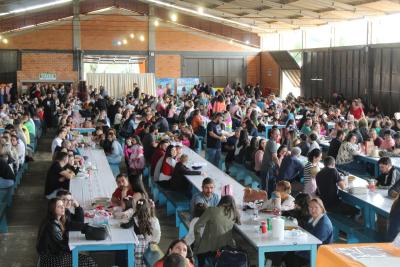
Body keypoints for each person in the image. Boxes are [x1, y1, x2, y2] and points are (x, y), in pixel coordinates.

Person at [36, 198, 97, 267]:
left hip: (54, 254)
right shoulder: (52, 226)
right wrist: (78, 245)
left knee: (86, 259)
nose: (63, 207)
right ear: (52, 209)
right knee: (87, 261)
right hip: (51, 260)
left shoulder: (59, 219)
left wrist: (86, 226)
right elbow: (62, 246)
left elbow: (74, 224)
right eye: (59, 206)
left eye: (62, 205)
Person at [283, 198, 333, 267]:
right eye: (310, 207)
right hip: (310, 248)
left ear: (321, 208)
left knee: (290, 257)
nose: (313, 210)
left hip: (318, 252)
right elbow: (306, 229)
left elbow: (315, 242)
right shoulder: (313, 218)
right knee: (286, 252)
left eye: (316, 207)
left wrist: (297, 249)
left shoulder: (324, 224)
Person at [194, 195, 240, 267]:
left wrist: (197, 243)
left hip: (207, 250)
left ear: (221, 201)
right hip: (225, 250)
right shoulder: (235, 214)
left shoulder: (212, 210)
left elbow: (197, 226)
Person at [120, 198, 161, 267]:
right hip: (146, 242)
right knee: (142, 259)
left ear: (136, 207)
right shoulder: (151, 218)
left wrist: (121, 224)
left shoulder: (135, 218)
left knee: (136, 259)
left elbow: (126, 226)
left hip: (137, 243)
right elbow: (156, 233)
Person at [260, 128, 280, 195]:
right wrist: (279, 166)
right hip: (267, 168)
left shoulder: (271, 141)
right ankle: (265, 201)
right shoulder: (272, 143)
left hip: (266, 167)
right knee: (267, 188)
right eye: (276, 134)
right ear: (271, 134)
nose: (278, 136)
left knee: (266, 186)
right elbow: (274, 157)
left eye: (278, 134)